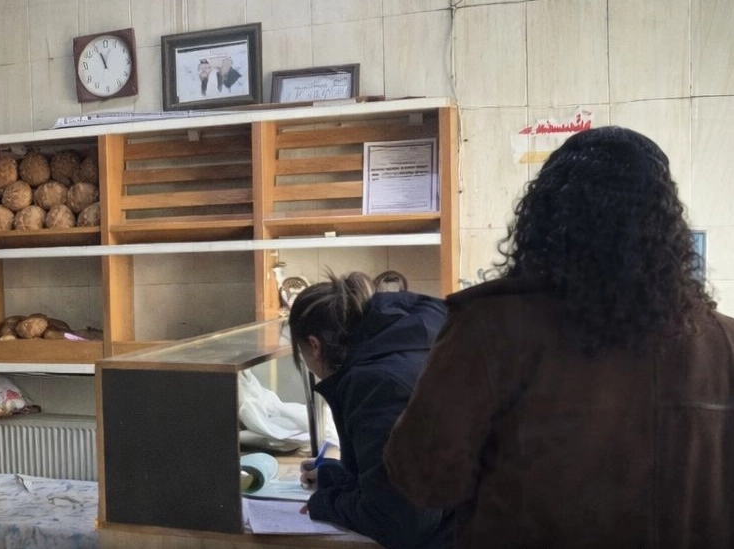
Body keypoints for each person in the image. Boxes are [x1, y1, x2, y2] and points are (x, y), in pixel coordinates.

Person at [384, 126, 734, 548]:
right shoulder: (724, 343)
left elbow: (424, 480)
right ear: (667, 225)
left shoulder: (489, 328)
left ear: (544, 218)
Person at [288, 270, 455, 549]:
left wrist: (326, 503)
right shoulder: (415, 342)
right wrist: (341, 479)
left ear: (314, 346)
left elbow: (402, 521)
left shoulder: (376, 384)